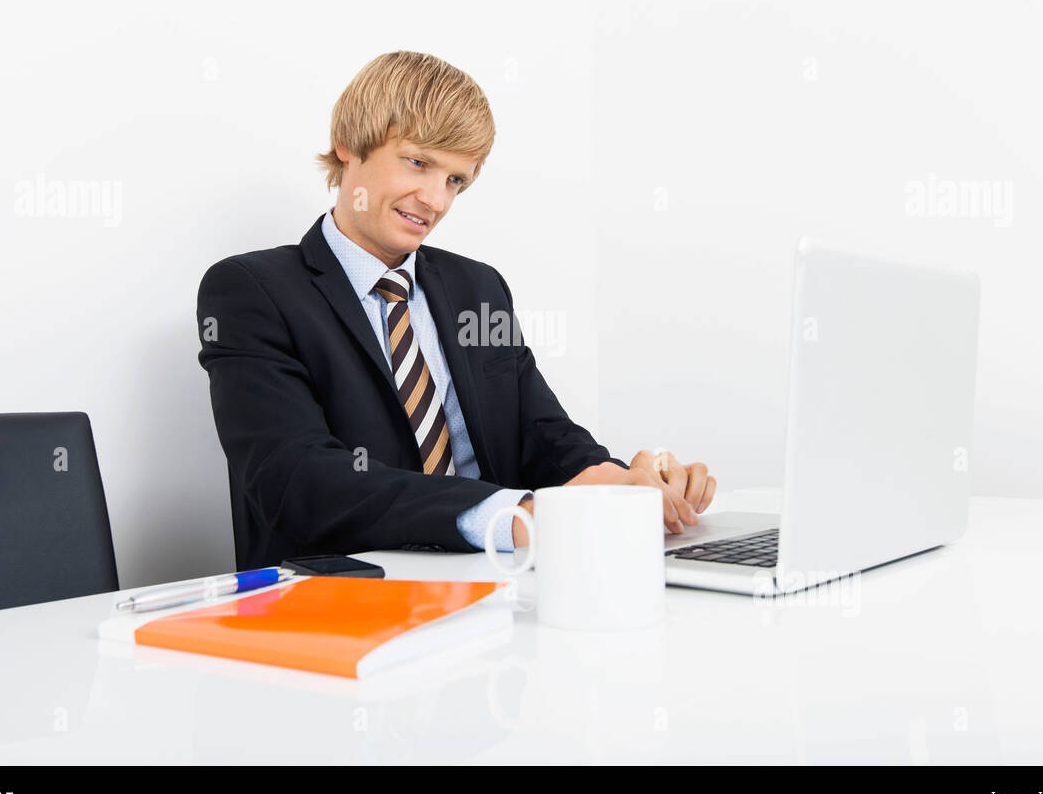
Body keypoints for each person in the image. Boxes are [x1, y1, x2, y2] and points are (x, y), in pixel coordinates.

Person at [197, 50, 715, 568]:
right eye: (418, 163)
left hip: (494, 584)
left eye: (455, 181)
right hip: (344, 597)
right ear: (349, 146)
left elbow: (542, 435)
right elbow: (297, 480)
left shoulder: (477, 287)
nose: (436, 200)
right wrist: (517, 518)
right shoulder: (252, 291)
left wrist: (619, 485)